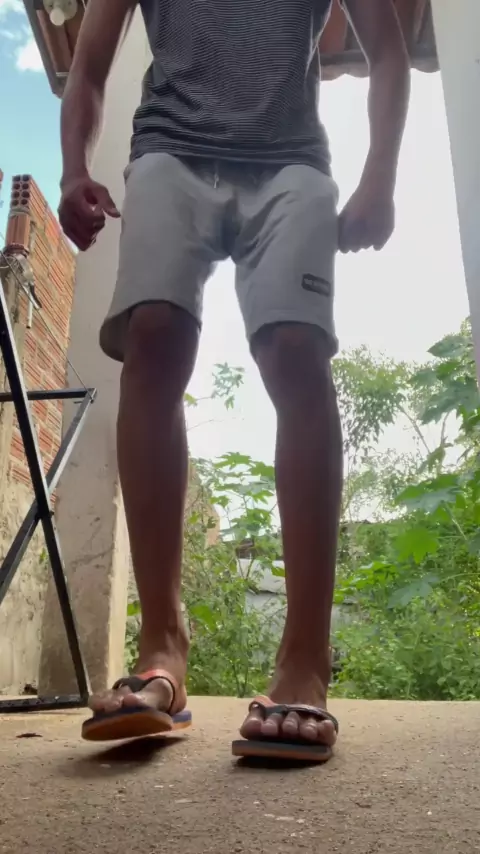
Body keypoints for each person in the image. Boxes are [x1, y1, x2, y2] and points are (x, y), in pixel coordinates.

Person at [58, 0, 410, 761]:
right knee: (153, 334)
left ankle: (305, 660)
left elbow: (388, 50)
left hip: (290, 162)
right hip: (169, 152)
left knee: (295, 348)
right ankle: (162, 646)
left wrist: (379, 176)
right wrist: (74, 168)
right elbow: (87, 67)